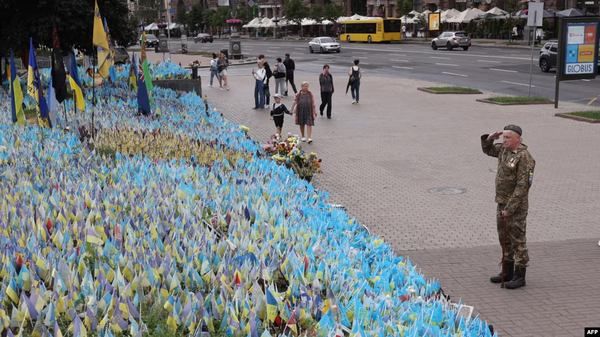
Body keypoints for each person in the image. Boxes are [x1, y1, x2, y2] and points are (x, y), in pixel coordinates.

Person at [481, 125, 536, 290]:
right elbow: (488, 150)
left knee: (517, 240)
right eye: (503, 138)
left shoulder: (524, 157)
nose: (504, 141)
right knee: (504, 237)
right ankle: (507, 271)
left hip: (516, 207)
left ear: (518, 139)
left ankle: (520, 276)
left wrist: (510, 208)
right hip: (502, 202)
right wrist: (490, 138)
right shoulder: (504, 150)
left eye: (508, 138)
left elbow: (522, 186)